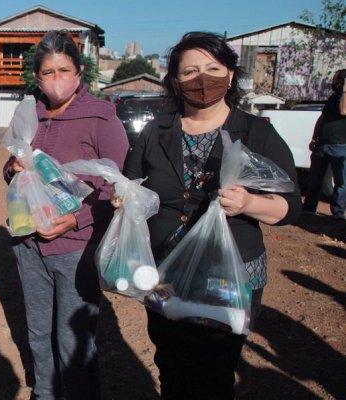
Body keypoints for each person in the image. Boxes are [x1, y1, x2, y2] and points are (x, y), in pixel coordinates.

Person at [123, 32, 301, 399]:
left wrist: (249, 204)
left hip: (230, 274)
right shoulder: (157, 131)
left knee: (215, 371)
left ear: (230, 75)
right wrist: (123, 196)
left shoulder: (255, 132)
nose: (202, 80)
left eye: (212, 69)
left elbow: (289, 206)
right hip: (165, 268)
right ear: (174, 81)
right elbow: (132, 184)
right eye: (189, 71)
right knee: (171, 362)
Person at [2, 31, 129, 400]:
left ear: (79, 71)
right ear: (37, 77)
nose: (56, 80)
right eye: (47, 72)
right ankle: (44, 394)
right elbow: (10, 173)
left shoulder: (101, 118)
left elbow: (117, 188)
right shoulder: (29, 113)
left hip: (77, 248)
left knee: (73, 338)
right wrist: (13, 168)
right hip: (28, 242)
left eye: (64, 70)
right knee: (39, 332)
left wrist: (75, 220)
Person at [303, 68, 346, 220]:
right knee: (315, 178)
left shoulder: (343, 99)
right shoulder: (334, 98)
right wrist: (314, 137)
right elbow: (322, 118)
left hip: (341, 146)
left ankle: (338, 212)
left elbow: (343, 110)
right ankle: (309, 207)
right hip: (323, 144)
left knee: (342, 182)